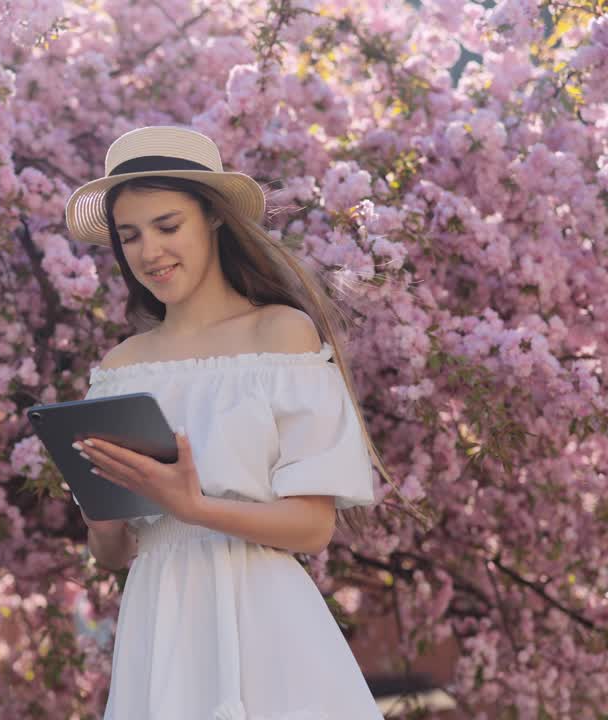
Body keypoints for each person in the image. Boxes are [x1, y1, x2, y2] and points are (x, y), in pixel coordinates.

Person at [62, 126, 387, 719]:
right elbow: (113, 554)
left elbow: (313, 527)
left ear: (212, 218)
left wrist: (193, 506)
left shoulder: (280, 333)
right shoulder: (121, 365)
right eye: (130, 236)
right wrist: (99, 513)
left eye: (168, 226)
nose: (149, 253)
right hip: (159, 621)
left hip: (263, 615)